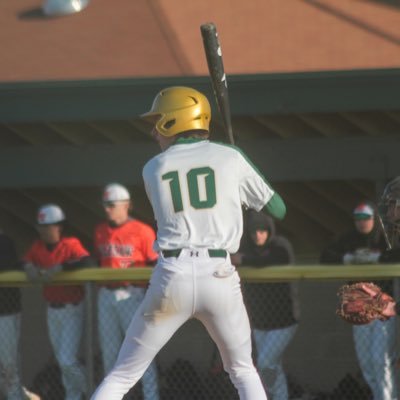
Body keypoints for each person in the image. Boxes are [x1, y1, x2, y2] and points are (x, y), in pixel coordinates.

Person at [90, 86, 287, 400]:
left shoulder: (153, 167)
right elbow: (278, 209)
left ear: (176, 120)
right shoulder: (230, 157)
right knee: (242, 370)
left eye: (160, 120)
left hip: (173, 275)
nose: (154, 130)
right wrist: (242, 166)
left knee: (124, 373)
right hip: (220, 276)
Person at [320, 200, 398, 400]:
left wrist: (376, 259)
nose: (362, 222)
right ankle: (381, 396)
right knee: (367, 364)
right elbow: (325, 256)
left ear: (375, 219)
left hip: (383, 308)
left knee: (380, 360)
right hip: (359, 307)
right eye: (358, 219)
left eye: (366, 218)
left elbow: (396, 255)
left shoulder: (384, 237)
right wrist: (348, 258)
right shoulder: (349, 238)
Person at [93, 183, 160, 400]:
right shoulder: (100, 230)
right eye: (105, 205)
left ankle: (151, 397)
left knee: (140, 354)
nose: (107, 209)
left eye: (112, 205)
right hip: (106, 296)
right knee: (110, 355)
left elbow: (156, 266)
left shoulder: (143, 230)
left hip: (133, 294)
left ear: (126, 205)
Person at [23, 204, 93, 400]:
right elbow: (24, 260)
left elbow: (87, 261)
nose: (43, 231)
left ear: (59, 227)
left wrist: (62, 266)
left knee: (66, 360)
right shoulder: (37, 247)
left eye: (47, 226)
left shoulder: (70, 243)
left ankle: (95, 392)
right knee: (63, 365)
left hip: (72, 309)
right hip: (52, 310)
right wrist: (28, 265)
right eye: (41, 227)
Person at [231, 210, 299, 400]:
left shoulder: (280, 245)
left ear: (269, 231)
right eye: (254, 231)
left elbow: (272, 260)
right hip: (260, 322)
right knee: (273, 365)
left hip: (285, 322)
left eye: (262, 231)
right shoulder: (247, 246)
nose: (257, 235)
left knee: (265, 363)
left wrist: (243, 260)